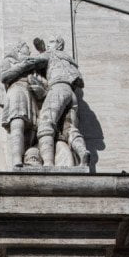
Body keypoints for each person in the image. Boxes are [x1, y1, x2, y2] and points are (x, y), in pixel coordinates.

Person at [29, 36, 84, 167]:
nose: (48, 45)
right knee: (70, 129)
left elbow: (34, 61)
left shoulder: (51, 54)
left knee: (45, 124)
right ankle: (83, 154)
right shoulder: (67, 59)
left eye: (51, 42)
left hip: (58, 89)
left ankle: (48, 163)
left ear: (59, 45)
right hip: (71, 93)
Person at [0, 42, 46, 168]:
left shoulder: (33, 65)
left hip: (31, 95)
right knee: (17, 122)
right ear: (19, 49)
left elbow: (44, 86)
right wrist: (23, 66)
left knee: (32, 130)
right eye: (27, 48)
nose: (30, 52)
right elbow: (4, 76)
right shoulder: (9, 60)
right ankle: (16, 159)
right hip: (17, 90)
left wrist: (40, 89)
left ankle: (29, 157)